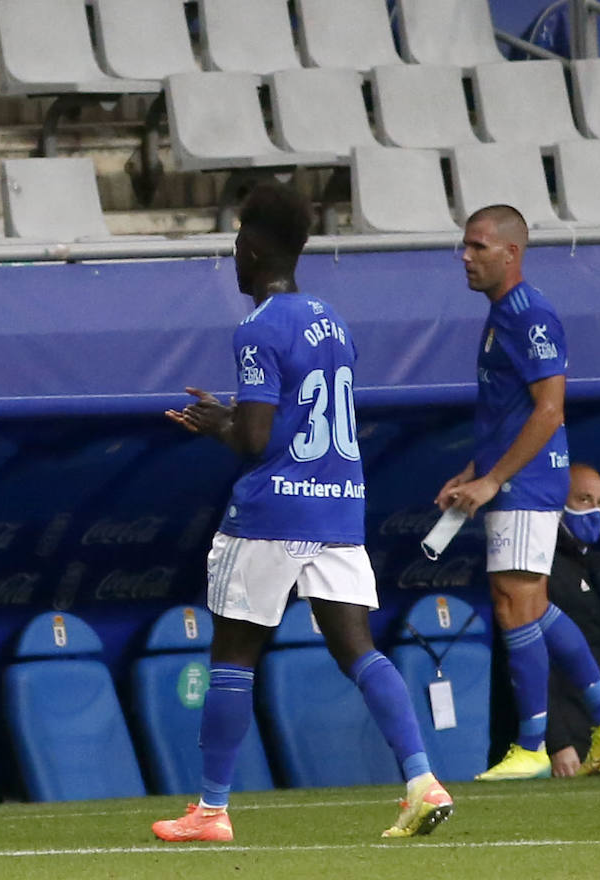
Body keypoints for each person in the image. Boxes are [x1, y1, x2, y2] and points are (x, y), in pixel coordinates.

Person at [152, 183, 453, 843]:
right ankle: (421, 780)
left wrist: (215, 426)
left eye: (236, 248)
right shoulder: (331, 319)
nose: (233, 260)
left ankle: (210, 811)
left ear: (255, 250)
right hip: (338, 506)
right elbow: (301, 418)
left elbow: (258, 441)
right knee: (361, 652)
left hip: (272, 512)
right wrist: (235, 416)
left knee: (233, 654)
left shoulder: (259, 327)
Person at [435, 205, 600, 781]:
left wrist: (493, 478)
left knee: (513, 600)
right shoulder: (503, 315)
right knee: (527, 603)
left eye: (477, 246)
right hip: (513, 476)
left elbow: (550, 410)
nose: (466, 257)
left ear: (510, 252)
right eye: (465, 246)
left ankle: (531, 743)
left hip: (528, 481)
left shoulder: (530, 314)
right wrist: (472, 469)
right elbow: (511, 414)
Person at [489, 463, 600, 777]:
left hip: (588, 734)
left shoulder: (587, 565)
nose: (594, 512)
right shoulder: (534, 570)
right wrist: (557, 742)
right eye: (584, 500)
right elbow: (525, 660)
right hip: (551, 745)